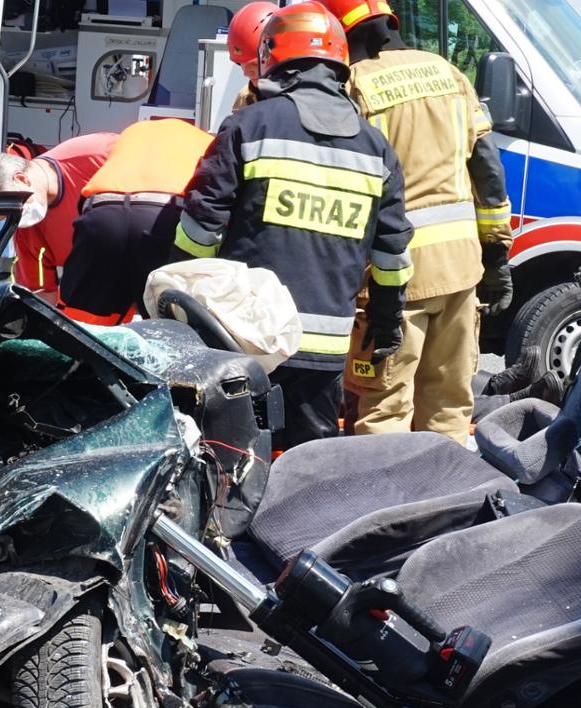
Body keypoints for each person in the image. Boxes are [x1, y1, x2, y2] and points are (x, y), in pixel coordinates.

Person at [175, 2, 414, 450]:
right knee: (308, 469)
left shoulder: (248, 126)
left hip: (246, 339)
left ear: (272, 57)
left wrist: (181, 298)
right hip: (325, 351)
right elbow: (392, 255)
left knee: (230, 460)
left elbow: (201, 228)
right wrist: (387, 320)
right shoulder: (376, 148)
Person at [322, 0, 516, 442]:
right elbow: (487, 168)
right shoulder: (449, 73)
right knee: (450, 407)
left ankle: (383, 490)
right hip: (460, 271)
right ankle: (448, 487)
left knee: (383, 408)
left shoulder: (353, 84)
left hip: (391, 280)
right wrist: (496, 254)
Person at [59, 118, 216, 325]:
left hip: (102, 214)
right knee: (165, 323)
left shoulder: (131, 132)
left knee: (80, 324)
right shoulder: (209, 141)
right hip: (163, 217)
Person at [0, 132, 118, 297]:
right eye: (4, 218)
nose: (16, 220)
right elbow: (41, 295)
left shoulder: (97, 155)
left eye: (13, 210)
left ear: (22, 179)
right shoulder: (25, 231)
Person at [225, 1, 279, 111]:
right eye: (241, 64)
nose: (245, 73)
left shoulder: (298, 101)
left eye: (254, 64)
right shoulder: (245, 98)